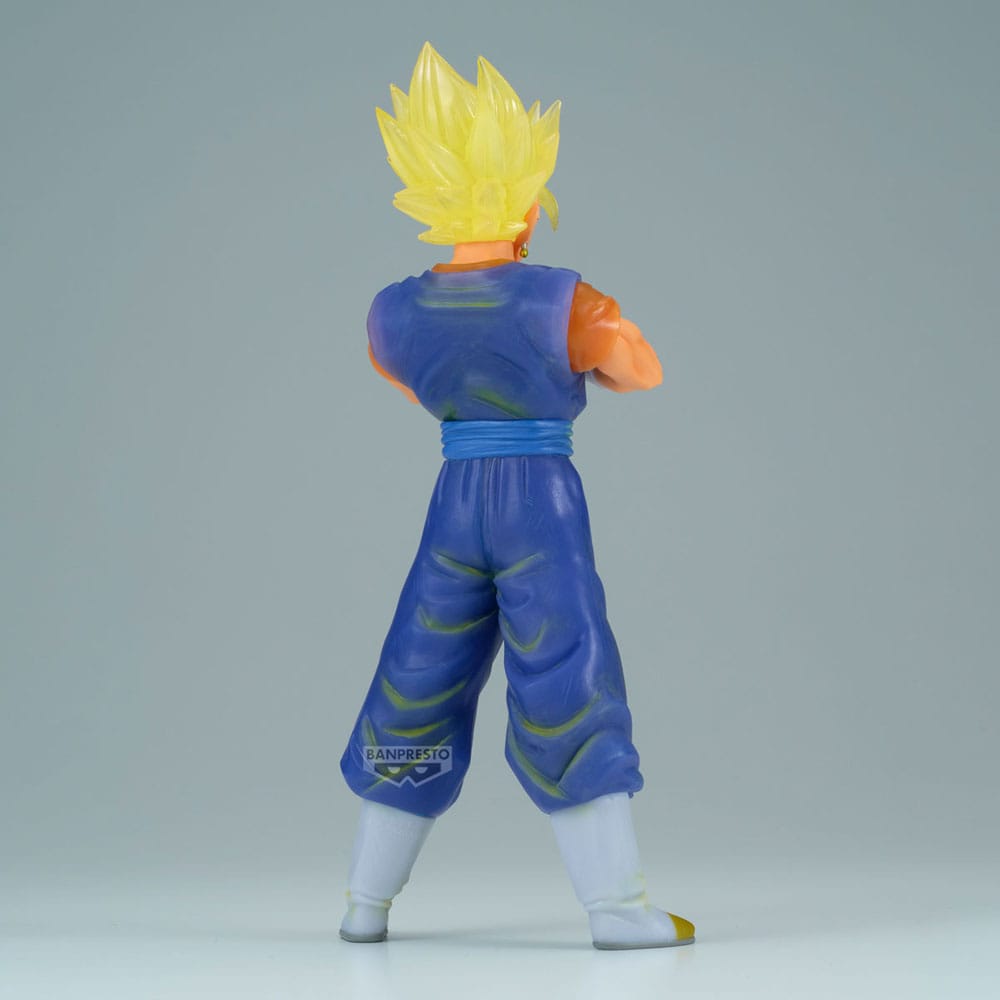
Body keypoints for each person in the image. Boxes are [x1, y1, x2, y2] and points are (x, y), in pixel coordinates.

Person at [338, 42, 694, 950]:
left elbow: (408, 382)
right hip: (539, 497)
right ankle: (616, 907)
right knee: (567, 669)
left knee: (418, 671)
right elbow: (641, 371)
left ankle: (365, 903)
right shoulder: (563, 299)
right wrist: (584, 347)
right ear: (527, 201)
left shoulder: (393, 310)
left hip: (455, 497)